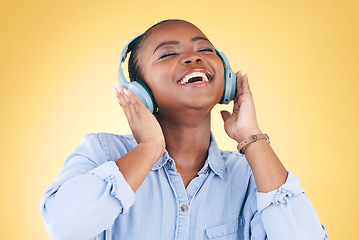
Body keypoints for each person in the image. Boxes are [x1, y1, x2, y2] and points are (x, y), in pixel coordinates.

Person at [40, 19, 328, 240]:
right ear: (140, 92)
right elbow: (64, 226)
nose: (193, 57)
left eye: (204, 49)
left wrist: (252, 137)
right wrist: (149, 148)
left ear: (226, 78)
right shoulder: (101, 152)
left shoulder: (252, 174)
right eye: (167, 54)